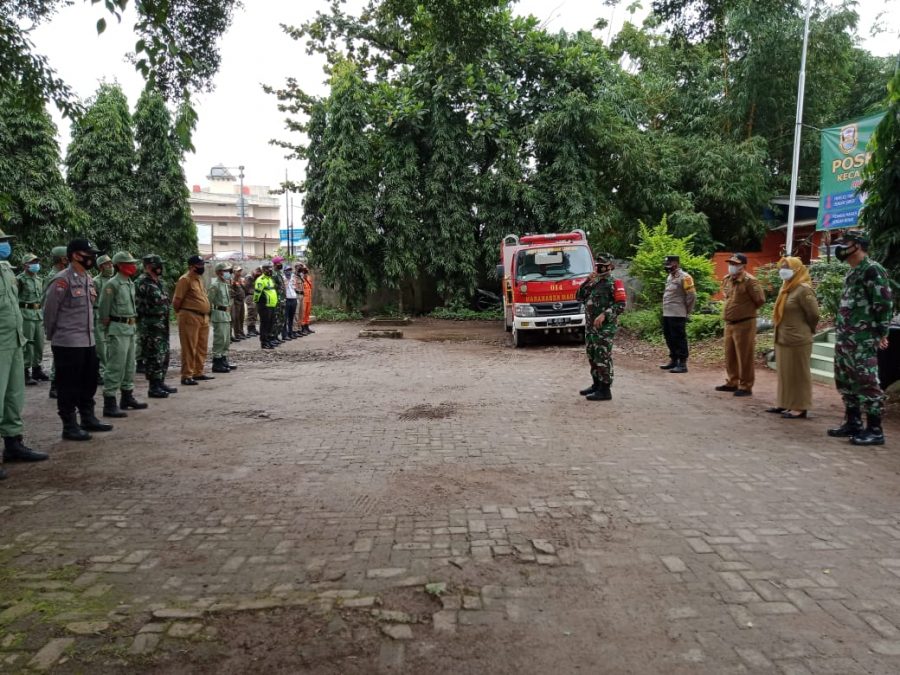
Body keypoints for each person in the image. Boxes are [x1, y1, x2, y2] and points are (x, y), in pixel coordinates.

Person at [43, 238, 113, 441]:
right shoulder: (62, 280)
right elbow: (50, 312)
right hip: (68, 342)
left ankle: (88, 418)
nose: (92, 257)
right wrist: (54, 336)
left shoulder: (88, 279)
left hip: (88, 340)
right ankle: (69, 425)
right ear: (76, 255)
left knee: (88, 382)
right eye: (88, 253)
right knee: (68, 385)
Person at [827, 232, 893, 445]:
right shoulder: (852, 273)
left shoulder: (872, 270)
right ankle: (853, 422)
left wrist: (881, 333)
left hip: (863, 339)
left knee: (867, 382)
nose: (840, 248)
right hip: (846, 338)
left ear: (857, 246)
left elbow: (884, 304)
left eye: (844, 244)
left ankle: (875, 429)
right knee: (845, 381)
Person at [0, 229, 47, 478]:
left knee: (14, 396)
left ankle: (13, 444)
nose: (5, 247)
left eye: (5, 242)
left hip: (15, 339)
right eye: (1, 243)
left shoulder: (6, 269)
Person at [766, 257, 820, 419]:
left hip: (798, 339)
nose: (783, 270)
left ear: (797, 270)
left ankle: (800, 406)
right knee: (785, 373)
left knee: (798, 374)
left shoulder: (803, 289)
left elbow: (814, 315)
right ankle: (784, 402)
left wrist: (806, 329)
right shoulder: (786, 287)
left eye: (787, 267)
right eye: (781, 267)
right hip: (783, 337)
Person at [98, 251, 147, 417]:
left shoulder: (129, 283)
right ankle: (109, 402)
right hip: (118, 329)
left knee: (129, 366)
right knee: (115, 366)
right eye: (129, 263)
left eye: (133, 263)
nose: (133, 266)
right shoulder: (113, 284)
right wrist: (108, 329)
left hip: (130, 328)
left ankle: (127, 397)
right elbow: (104, 312)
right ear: (119, 265)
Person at [576, 253, 627, 401]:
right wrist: (587, 280)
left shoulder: (615, 283)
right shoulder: (594, 282)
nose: (600, 267)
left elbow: (621, 305)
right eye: (598, 265)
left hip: (605, 328)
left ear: (610, 266)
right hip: (591, 327)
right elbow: (579, 296)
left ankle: (605, 389)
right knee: (592, 355)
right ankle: (596, 384)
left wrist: (605, 314)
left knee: (602, 356)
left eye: (603, 265)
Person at [715, 253, 765, 397]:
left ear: (743, 265)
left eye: (735, 264)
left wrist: (745, 310)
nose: (732, 266)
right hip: (730, 323)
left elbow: (760, 300)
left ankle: (746, 385)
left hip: (745, 323)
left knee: (744, 356)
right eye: (730, 263)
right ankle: (732, 381)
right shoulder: (727, 280)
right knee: (729, 354)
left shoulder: (750, 281)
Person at [135, 254, 178, 399]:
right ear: (148, 266)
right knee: (153, 356)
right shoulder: (142, 282)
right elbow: (137, 306)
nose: (160, 268)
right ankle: (153, 387)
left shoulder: (159, 282)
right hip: (150, 326)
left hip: (162, 325)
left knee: (163, 355)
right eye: (157, 265)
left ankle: (160, 382)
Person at [173, 255, 213, 386]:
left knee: (202, 346)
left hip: (203, 317)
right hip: (189, 316)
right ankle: (187, 375)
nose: (202, 267)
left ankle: (198, 372)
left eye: (203, 264)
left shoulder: (199, 279)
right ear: (191, 266)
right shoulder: (185, 280)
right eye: (199, 265)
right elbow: (177, 301)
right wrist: (183, 314)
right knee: (189, 347)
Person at [17, 252, 49, 385]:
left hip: (38, 314)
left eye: (36, 262)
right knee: (28, 344)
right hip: (25, 314)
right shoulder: (19, 279)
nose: (35, 265)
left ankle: (37, 369)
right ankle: (25, 372)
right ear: (25, 265)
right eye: (32, 263)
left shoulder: (39, 279)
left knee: (39, 344)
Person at [660, 255, 696, 374]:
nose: (668, 268)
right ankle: (674, 360)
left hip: (678, 313)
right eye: (667, 266)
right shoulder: (670, 276)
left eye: (670, 265)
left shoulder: (685, 277)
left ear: (677, 264)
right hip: (667, 312)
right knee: (669, 336)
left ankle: (682, 363)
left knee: (679, 338)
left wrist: (686, 311)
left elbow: (691, 296)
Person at [44, 245, 69, 400]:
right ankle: (55, 385)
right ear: (61, 259)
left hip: (65, 322)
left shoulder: (64, 274)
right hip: (58, 321)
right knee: (58, 357)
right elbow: (48, 303)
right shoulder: (54, 276)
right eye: (66, 257)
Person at [209, 262, 237, 373]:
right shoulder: (215, 285)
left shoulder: (225, 284)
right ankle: (217, 362)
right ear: (218, 272)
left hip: (226, 314)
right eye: (225, 271)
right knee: (220, 339)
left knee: (226, 340)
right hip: (218, 314)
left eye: (228, 271)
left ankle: (224, 359)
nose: (227, 273)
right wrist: (209, 314)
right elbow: (209, 301)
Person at [93, 254, 114, 382]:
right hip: (98, 315)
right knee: (100, 345)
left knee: (110, 344)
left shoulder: (113, 281)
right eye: (107, 264)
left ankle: (109, 370)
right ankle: (101, 372)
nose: (110, 266)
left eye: (111, 264)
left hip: (112, 315)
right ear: (101, 267)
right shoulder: (96, 281)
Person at [254, 262, 278, 350]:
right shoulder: (260, 280)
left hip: (272, 305)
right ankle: (264, 342)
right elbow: (257, 294)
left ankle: (268, 340)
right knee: (265, 324)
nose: (270, 270)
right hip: (264, 305)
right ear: (263, 270)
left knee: (270, 324)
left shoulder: (270, 279)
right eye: (268, 268)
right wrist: (259, 303)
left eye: (271, 268)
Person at [272, 256, 286, 344]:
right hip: (277, 300)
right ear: (275, 264)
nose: (281, 264)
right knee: (276, 319)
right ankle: (273, 336)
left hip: (282, 299)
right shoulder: (274, 274)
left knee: (281, 319)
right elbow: (274, 287)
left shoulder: (279, 274)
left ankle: (277, 335)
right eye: (280, 263)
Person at [231, 266, 247, 341]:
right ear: (234, 272)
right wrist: (235, 296)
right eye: (238, 271)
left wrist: (242, 283)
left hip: (242, 301)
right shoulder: (232, 280)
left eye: (240, 271)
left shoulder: (240, 280)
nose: (239, 272)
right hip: (236, 301)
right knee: (236, 318)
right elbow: (231, 291)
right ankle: (237, 334)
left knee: (241, 317)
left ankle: (241, 332)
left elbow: (245, 289)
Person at [299, 263, 315, 335]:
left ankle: (307, 326)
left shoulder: (308, 277)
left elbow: (310, 286)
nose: (306, 270)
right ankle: (302, 328)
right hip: (304, 298)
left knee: (308, 313)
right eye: (304, 269)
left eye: (306, 269)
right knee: (303, 313)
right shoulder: (300, 277)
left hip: (309, 297)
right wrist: (303, 276)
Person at [283, 265, 299, 340]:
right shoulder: (282, 278)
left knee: (291, 318)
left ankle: (290, 332)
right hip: (286, 300)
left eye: (290, 270)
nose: (289, 271)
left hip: (293, 299)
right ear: (284, 271)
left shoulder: (293, 278)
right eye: (287, 270)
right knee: (285, 318)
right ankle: (284, 334)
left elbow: (295, 287)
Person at [244, 268, 260, 337]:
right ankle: (250, 330)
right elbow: (247, 288)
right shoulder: (249, 277)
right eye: (258, 272)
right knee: (251, 313)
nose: (258, 274)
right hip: (250, 296)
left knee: (254, 313)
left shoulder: (254, 277)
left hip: (254, 296)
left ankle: (253, 329)